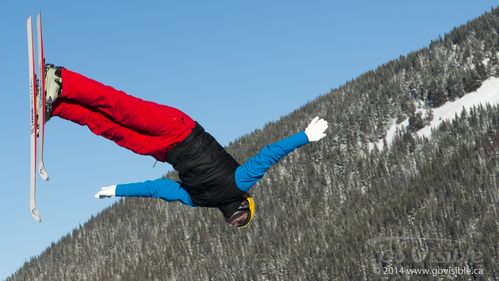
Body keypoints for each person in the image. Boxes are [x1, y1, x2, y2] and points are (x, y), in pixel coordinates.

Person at [42, 64, 329, 228]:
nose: (235, 219)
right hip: (179, 130)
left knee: (112, 129)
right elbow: (269, 155)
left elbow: (156, 189)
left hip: (166, 151)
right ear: (245, 204)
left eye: (235, 222)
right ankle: (62, 79)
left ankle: (57, 106)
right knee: (121, 108)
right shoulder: (239, 182)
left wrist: (118, 190)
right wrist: (304, 136)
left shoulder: (200, 199)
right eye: (241, 218)